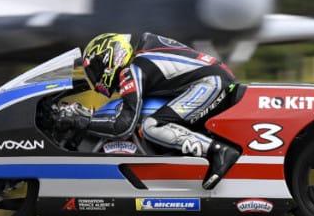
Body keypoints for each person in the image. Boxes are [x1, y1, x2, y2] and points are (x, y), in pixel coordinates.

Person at [57, 32, 241, 190]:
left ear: (109, 57)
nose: (96, 77)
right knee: (154, 120)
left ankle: (218, 151)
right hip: (211, 79)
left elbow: (123, 126)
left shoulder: (133, 69)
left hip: (211, 83)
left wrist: (85, 121)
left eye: (96, 69)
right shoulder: (143, 57)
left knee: (152, 126)